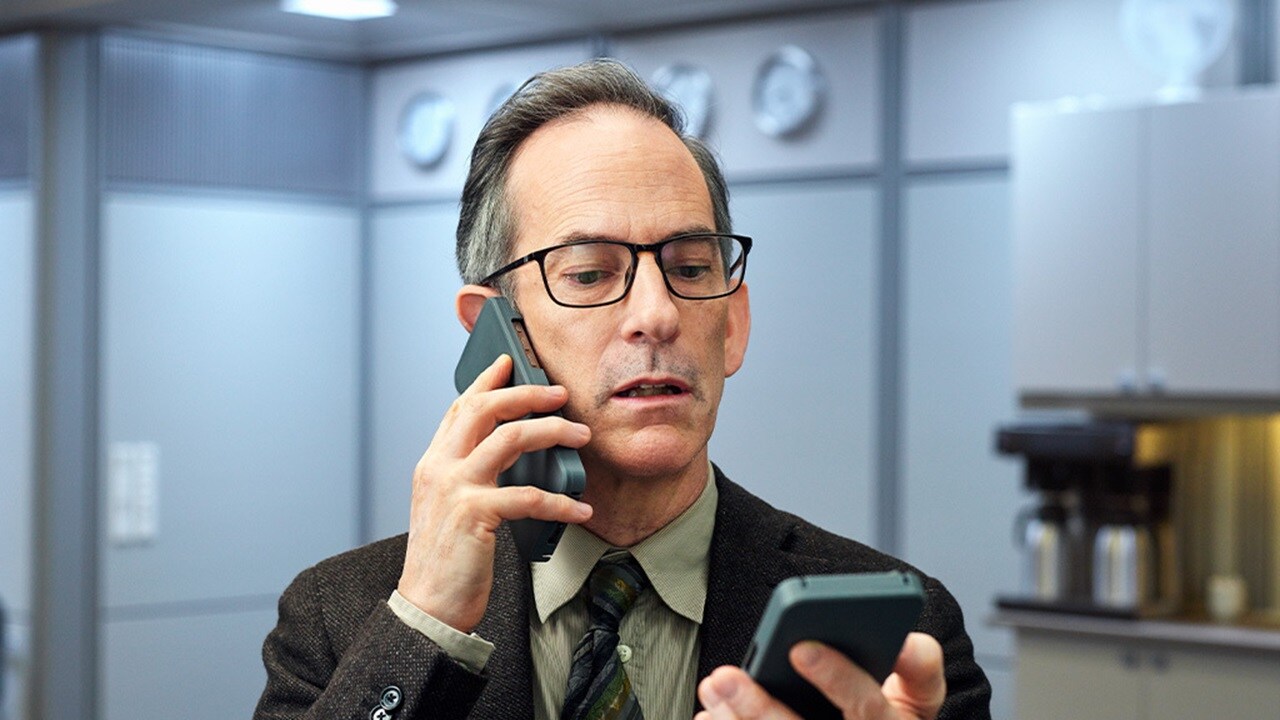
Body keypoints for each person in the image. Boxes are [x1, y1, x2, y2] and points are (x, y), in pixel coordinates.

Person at [254, 58, 991, 720]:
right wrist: (424, 627)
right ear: (493, 333)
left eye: (692, 268)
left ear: (732, 326)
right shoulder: (341, 618)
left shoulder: (901, 635)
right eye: (589, 273)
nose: (656, 315)